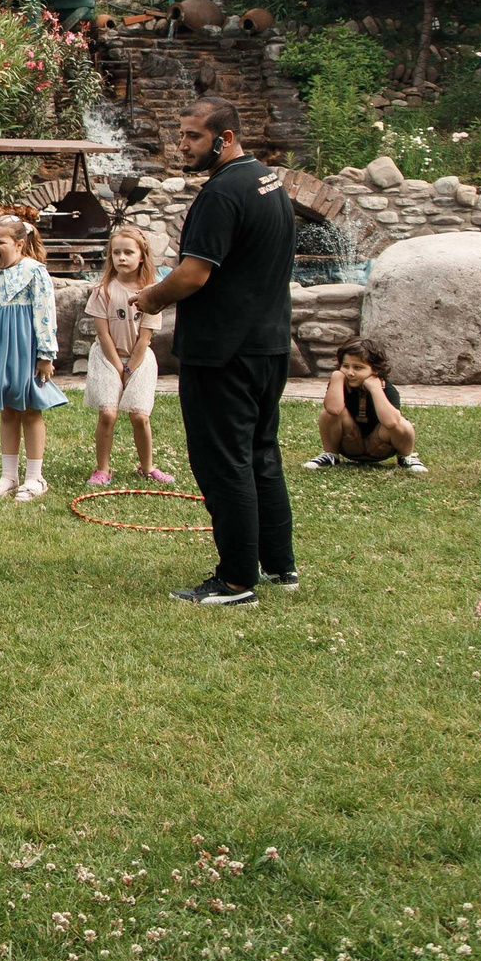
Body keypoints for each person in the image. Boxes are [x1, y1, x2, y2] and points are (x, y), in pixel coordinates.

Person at [132, 98, 296, 607]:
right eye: (181, 134)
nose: (182, 145)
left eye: (193, 136)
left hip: (224, 352)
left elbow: (193, 273)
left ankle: (236, 581)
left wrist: (151, 298)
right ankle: (279, 564)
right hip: (269, 346)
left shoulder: (222, 193)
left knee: (224, 463)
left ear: (224, 139)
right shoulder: (269, 181)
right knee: (260, 453)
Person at [0, 214, 66, 504]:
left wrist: (45, 355)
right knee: (7, 409)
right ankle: (8, 476)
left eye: (0, 241)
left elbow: (45, 313)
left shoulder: (34, 272)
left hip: (25, 346)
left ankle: (35, 478)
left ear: (19, 244)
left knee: (30, 408)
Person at [86, 224, 175, 488]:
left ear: (142, 256)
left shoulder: (151, 294)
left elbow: (145, 338)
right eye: (116, 253)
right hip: (107, 358)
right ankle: (102, 468)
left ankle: (147, 467)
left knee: (139, 416)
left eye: (128, 252)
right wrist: (118, 368)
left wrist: (130, 369)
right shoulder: (103, 291)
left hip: (139, 360)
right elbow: (103, 335)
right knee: (108, 414)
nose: (121, 258)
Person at [306, 338, 426, 473]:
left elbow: (391, 422)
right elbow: (334, 410)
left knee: (402, 423)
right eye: (345, 366)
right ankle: (330, 455)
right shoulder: (339, 384)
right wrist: (337, 377)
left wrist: (375, 388)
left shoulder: (387, 389)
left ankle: (406, 457)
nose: (350, 373)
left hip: (380, 446)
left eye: (358, 367)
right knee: (327, 414)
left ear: (375, 369)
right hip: (350, 443)